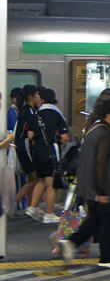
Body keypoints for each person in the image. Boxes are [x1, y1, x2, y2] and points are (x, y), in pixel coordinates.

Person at [58, 92, 110, 270]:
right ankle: (107, 258)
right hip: (101, 185)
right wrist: (102, 191)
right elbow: (101, 163)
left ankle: (71, 243)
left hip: (88, 184)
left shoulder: (93, 127)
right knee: (107, 221)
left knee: (95, 220)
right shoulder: (105, 133)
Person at [27, 87, 69, 224]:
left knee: (41, 180)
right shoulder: (57, 114)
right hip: (51, 150)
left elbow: (30, 135)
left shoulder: (36, 114)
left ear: (43, 98)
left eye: (38, 95)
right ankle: (49, 214)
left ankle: (32, 208)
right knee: (51, 184)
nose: (37, 97)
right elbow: (64, 138)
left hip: (37, 151)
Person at [14, 85, 41, 218]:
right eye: (37, 95)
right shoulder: (29, 112)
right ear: (31, 97)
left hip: (21, 146)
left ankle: (31, 207)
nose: (38, 97)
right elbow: (29, 135)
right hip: (24, 147)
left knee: (31, 178)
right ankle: (13, 202)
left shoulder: (25, 110)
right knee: (34, 178)